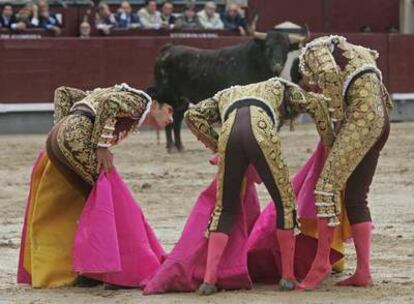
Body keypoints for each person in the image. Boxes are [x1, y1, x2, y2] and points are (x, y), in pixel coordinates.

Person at [184, 77, 335, 295]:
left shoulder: (224, 93)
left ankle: (209, 280)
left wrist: (218, 145)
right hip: (261, 131)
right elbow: (316, 103)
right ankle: (287, 276)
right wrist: (328, 140)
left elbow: (192, 115)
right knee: (285, 202)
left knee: (225, 209)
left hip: (229, 136)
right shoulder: (280, 85)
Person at [17, 84, 175, 288]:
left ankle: (89, 271)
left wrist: (61, 129)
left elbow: (63, 93)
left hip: (56, 141)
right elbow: (109, 105)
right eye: (169, 110)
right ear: (154, 105)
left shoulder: (105, 93)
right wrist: (102, 146)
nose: (171, 119)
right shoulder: (139, 101)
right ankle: (109, 273)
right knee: (110, 205)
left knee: (91, 202)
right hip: (76, 141)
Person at [290, 35, 393, 289]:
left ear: (303, 73)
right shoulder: (356, 49)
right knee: (356, 197)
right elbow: (380, 91)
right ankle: (364, 273)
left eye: (308, 85)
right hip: (380, 120)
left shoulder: (313, 52)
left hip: (362, 120)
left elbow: (329, 79)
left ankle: (321, 263)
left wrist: (335, 127)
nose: (312, 90)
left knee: (325, 189)